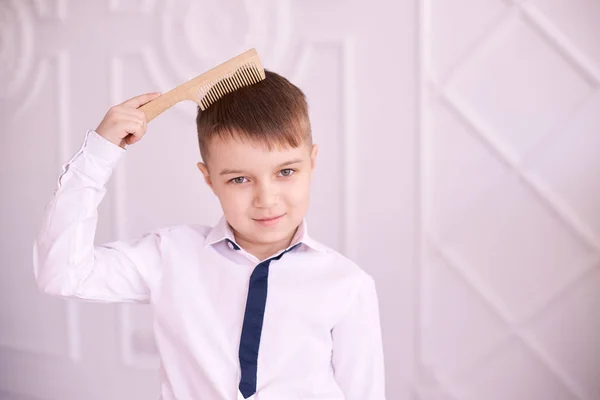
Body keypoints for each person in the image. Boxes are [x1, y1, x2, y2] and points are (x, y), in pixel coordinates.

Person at [33, 70, 386, 400]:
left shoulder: (347, 285)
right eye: (239, 179)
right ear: (208, 178)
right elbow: (63, 275)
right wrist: (97, 156)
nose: (267, 199)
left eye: (286, 171)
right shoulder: (171, 256)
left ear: (312, 162)